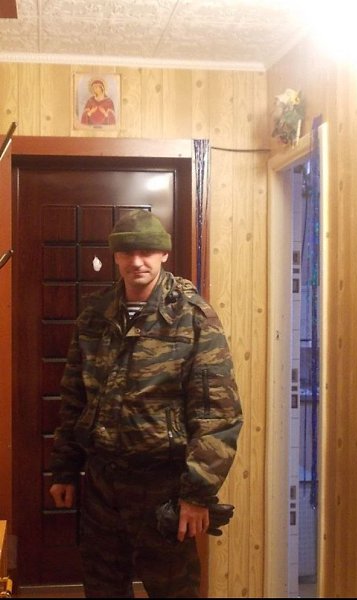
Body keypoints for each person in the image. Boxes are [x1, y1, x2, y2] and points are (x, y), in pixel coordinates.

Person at [49, 209, 243, 598]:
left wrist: (196, 495)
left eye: (147, 251)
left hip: (163, 488)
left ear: (164, 254)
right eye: (127, 252)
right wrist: (65, 469)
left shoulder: (192, 317)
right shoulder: (95, 315)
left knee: (173, 591)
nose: (137, 261)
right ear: (116, 255)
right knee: (102, 589)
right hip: (101, 486)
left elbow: (216, 415)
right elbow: (74, 397)